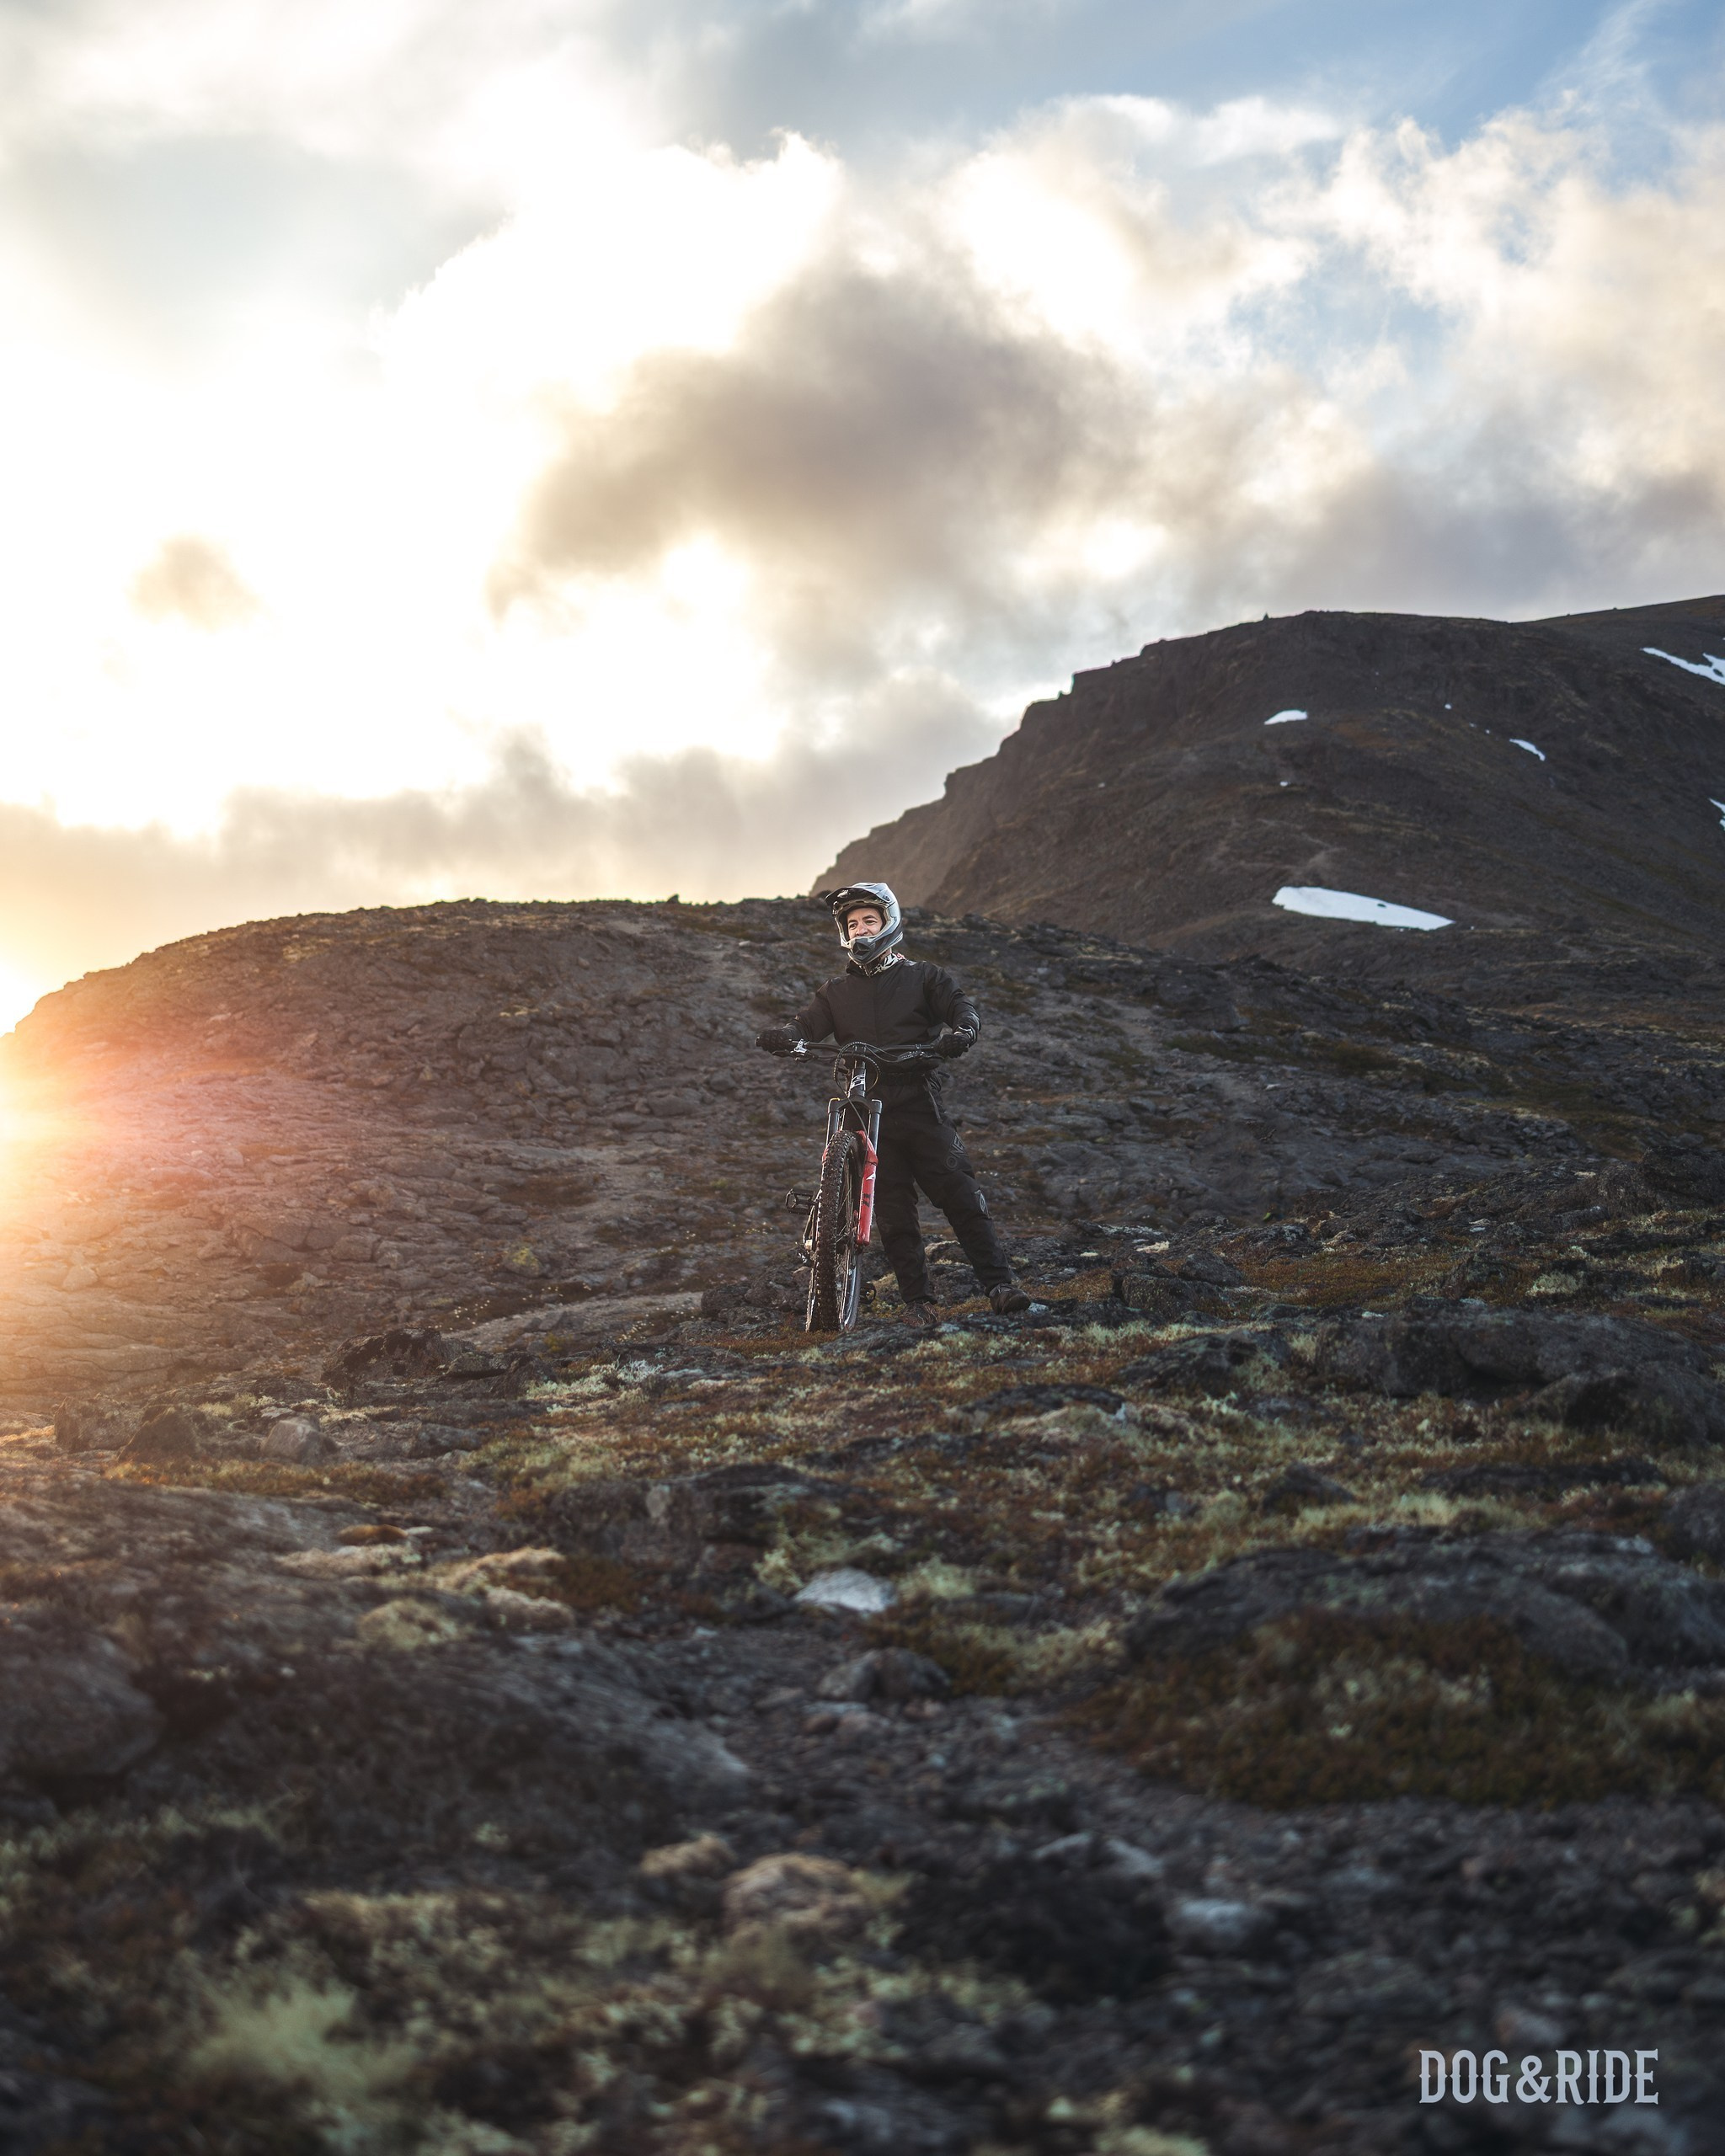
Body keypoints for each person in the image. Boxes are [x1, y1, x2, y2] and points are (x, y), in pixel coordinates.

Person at [756, 882, 1032, 1326]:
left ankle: (1000, 1285)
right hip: (863, 1106)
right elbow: (806, 1024)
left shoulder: (923, 977)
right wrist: (786, 1037)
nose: (861, 929)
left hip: (918, 1101)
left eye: (869, 920)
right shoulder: (835, 992)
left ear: (888, 923)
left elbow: (961, 1007)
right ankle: (918, 1303)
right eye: (852, 923)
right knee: (891, 1210)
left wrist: (962, 1033)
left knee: (959, 1194)